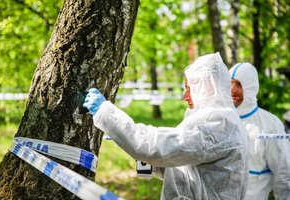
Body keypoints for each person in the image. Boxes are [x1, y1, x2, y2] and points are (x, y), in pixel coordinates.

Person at [84, 52, 249, 199]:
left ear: (206, 88)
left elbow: (156, 149)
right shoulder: (222, 118)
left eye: (190, 89)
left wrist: (107, 114)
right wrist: (125, 137)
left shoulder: (217, 121)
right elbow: (182, 167)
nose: (185, 96)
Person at [229, 62, 290, 200]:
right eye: (229, 83)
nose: (232, 90)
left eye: (239, 84)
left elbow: (283, 170)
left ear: (250, 87)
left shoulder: (270, 124)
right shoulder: (220, 119)